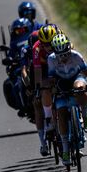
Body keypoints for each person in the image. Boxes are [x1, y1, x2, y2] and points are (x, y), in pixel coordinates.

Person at [47, 34, 87, 165]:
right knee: (61, 113)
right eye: (60, 55)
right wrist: (52, 89)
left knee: (79, 87)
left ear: (69, 50)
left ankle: (84, 116)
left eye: (66, 54)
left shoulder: (76, 56)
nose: (63, 58)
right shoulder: (51, 59)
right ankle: (66, 150)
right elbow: (51, 80)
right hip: (61, 82)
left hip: (76, 78)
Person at [22, 24, 60, 156]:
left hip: (56, 65)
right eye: (45, 44)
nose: (48, 46)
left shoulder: (60, 41)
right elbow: (34, 70)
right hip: (40, 69)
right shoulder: (35, 48)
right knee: (38, 103)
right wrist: (36, 88)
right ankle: (43, 141)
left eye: (50, 43)